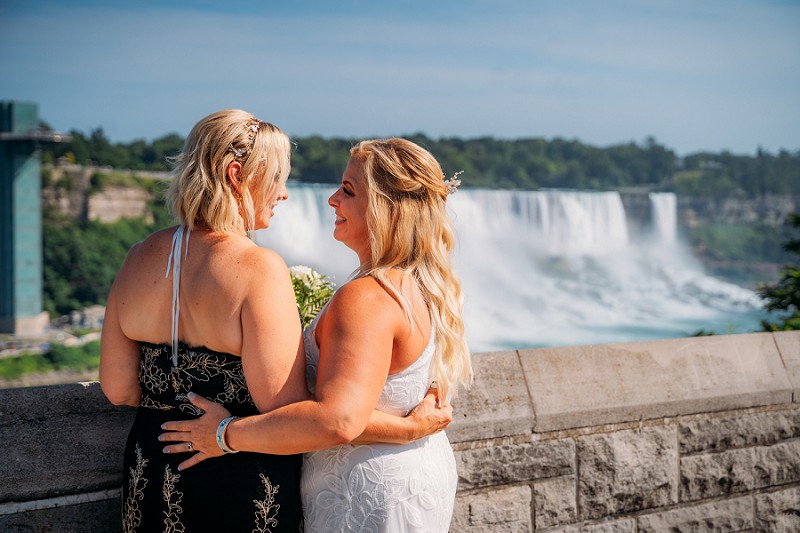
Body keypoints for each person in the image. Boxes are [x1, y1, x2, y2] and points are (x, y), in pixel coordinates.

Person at [100, 111, 449, 533]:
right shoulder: (257, 270)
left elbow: (118, 389)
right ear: (235, 175)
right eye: (277, 178)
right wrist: (409, 427)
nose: (284, 194)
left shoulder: (137, 257)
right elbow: (291, 410)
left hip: (149, 471)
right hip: (237, 479)